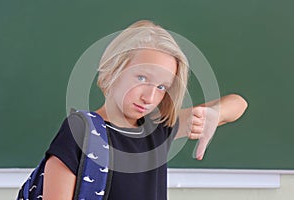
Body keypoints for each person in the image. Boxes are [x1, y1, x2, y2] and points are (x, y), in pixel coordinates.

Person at [29, 20, 248, 199]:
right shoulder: (80, 131)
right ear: (114, 68)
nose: (150, 97)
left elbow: (238, 103)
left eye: (162, 87)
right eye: (142, 77)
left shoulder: (159, 130)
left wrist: (214, 114)